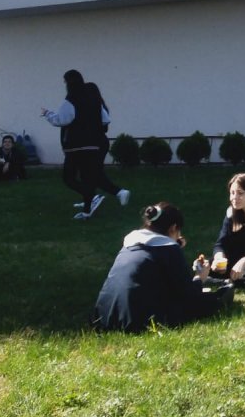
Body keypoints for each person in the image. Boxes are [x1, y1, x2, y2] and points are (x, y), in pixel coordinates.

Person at [91, 202, 234, 332]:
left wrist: (176, 244)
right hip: (138, 320)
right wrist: (199, 277)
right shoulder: (169, 250)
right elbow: (188, 294)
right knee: (209, 301)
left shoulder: (130, 244)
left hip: (105, 316)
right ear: (173, 228)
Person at [42, 70, 130, 219]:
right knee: (90, 176)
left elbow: (62, 120)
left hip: (76, 146)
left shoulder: (70, 99)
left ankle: (104, 194)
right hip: (94, 144)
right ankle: (88, 208)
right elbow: (105, 120)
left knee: (70, 178)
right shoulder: (94, 100)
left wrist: (48, 114)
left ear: (68, 83)